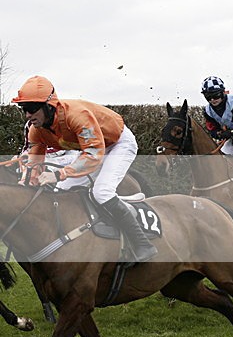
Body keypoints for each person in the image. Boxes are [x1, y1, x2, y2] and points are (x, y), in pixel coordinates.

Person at [11, 75, 157, 262]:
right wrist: (27, 182)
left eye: (31, 109)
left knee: (102, 192)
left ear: (49, 106)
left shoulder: (76, 116)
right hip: (94, 149)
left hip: (118, 144)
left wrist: (59, 174)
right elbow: (34, 163)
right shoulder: (36, 129)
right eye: (24, 109)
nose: (28, 116)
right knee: (61, 190)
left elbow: (94, 154)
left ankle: (142, 244)